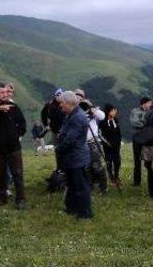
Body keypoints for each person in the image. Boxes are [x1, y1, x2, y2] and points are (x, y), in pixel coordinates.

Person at [57, 91, 93, 219]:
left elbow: (70, 138)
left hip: (77, 156)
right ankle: (71, 208)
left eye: (61, 103)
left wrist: (59, 148)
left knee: (80, 185)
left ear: (67, 103)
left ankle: (85, 213)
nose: (60, 105)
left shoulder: (77, 117)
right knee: (72, 184)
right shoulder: (72, 114)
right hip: (73, 157)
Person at [78, 91, 108, 194]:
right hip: (81, 143)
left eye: (80, 97)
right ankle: (89, 186)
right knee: (86, 166)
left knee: (97, 165)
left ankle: (103, 186)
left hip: (93, 142)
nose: (79, 99)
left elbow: (102, 116)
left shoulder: (90, 109)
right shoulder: (75, 110)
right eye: (76, 97)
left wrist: (90, 107)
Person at [41, 88, 66, 168]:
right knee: (57, 148)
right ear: (56, 96)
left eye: (62, 95)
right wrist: (46, 125)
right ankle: (59, 165)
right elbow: (43, 114)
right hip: (55, 130)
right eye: (59, 96)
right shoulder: (49, 105)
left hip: (65, 130)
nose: (60, 97)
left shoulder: (65, 104)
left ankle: (66, 165)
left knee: (66, 147)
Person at [129, 96, 151, 186]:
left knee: (148, 159)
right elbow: (134, 122)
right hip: (137, 138)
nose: (150, 104)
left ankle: (151, 180)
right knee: (137, 160)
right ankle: (137, 181)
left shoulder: (150, 112)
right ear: (144, 103)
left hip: (147, 138)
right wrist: (145, 123)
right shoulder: (135, 111)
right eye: (149, 103)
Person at [99, 104, 122, 186]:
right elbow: (100, 134)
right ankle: (111, 177)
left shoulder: (115, 120)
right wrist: (106, 142)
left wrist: (119, 142)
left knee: (117, 162)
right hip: (108, 146)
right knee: (109, 161)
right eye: (113, 110)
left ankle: (116, 176)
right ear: (108, 111)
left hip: (116, 146)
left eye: (115, 110)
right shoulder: (103, 122)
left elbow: (119, 133)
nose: (114, 112)